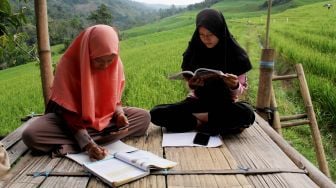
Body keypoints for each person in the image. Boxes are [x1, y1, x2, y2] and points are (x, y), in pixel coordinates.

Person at [22, 25, 150, 160]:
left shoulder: (116, 64)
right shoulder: (67, 65)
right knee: (31, 135)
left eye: (110, 60)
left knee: (144, 117)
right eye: (99, 61)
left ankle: (81, 141)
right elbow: (67, 112)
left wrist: (119, 114)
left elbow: (115, 100)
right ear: (88, 53)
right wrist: (88, 144)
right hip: (69, 122)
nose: (106, 66)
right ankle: (91, 139)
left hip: (105, 119)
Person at [150, 8, 254, 135]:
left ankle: (197, 120)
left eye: (210, 34)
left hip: (224, 105)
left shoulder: (236, 55)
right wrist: (192, 84)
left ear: (220, 31)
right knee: (156, 113)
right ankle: (207, 123)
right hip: (197, 102)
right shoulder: (194, 50)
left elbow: (241, 91)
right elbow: (190, 86)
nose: (206, 39)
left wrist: (234, 85)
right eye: (202, 35)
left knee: (247, 113)